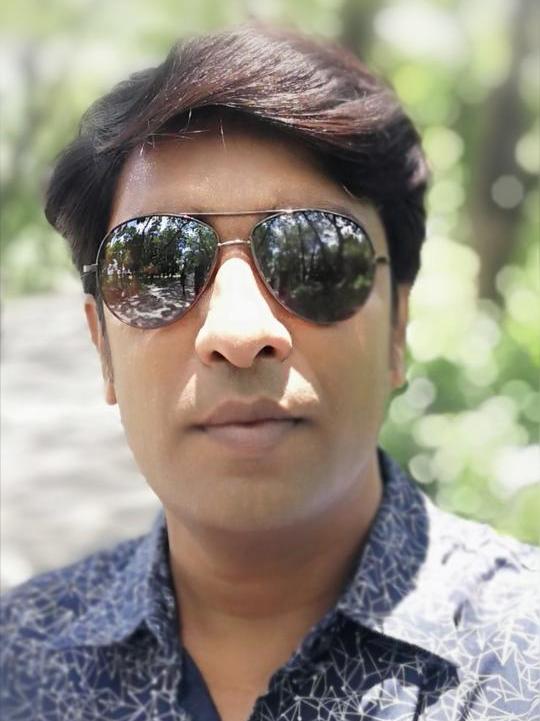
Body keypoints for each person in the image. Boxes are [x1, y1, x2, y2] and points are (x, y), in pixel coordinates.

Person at [1, 22, 538, 721]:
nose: (239, 332)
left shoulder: (522, 654)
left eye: (317, 255)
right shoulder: (18, 660)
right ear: (102, 344)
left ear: (397, 329)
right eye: (157, 265)